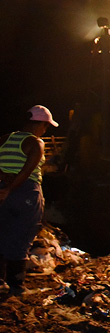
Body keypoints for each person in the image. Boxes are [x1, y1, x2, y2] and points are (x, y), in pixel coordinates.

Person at [0, 105, 59, 296]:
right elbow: (27, 171)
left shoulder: (5, 138)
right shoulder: (36, 143)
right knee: (22, 236)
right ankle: (17, 286)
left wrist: (4, 181)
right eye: (45, 126)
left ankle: (1, 281)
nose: (45, 130)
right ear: (40, 124)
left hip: (2, 189)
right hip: (25, 191)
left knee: (3, 233)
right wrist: (11, 187)